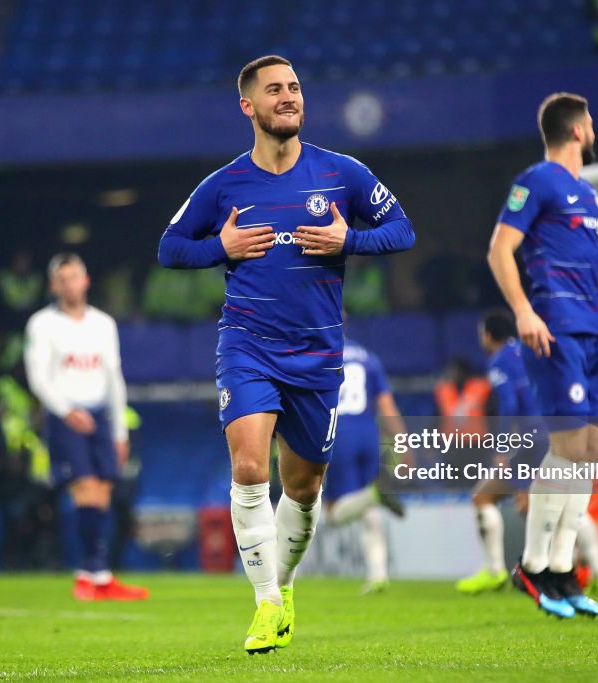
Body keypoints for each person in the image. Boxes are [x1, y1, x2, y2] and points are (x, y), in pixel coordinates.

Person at [158, 55, 414, 653]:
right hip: (247, 345)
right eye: (274, 90)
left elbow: (402, 230)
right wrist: (218, 246)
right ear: (248, 105)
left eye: (295, 87)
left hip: (320, 355)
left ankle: (286, 585)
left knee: (302, 488)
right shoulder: (224, 185)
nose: (289, 96)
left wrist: (349, 239)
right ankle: (265, 604)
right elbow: (171, 248)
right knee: (250, 469)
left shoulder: (342, 172)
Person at [487, 92, 598, 619]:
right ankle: (535, 566)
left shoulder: (588, 195)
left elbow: (593, 264)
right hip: (554, 329)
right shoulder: (538, 180)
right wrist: (525, 312)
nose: (593, 129)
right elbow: (500, 248)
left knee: (590, 451)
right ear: (577, 130)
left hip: (592, 332)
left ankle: (562, 572)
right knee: (570, 447)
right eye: (590, 121)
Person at [24, 253, 148, 601]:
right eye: (61, 279)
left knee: (103, 494)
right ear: (53, 285)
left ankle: (97, 576)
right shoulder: (42, 325)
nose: (69, 284)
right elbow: (38, 377)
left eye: (74, 277)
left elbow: (114, 378)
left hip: (101, 418)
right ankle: (91, 574)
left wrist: (120, 431)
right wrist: (65, 412)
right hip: (67, 419)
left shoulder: (103, 324)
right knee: (86, 490)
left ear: (86, 280)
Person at [457, 310, 550, 595]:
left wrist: (502, 447)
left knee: (502, 499)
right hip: (550, 431)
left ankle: (505, 570)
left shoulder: (499, 360)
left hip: (527, 437)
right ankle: (588, 569)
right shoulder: (528, 351)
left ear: (488, 335)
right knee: (529, 502)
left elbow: (509, 403)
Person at [324, 338, 407, 595]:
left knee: (335, 513)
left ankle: (375, 493)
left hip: (339, 434)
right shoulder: (369, 357)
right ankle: (378, 574)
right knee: (366, 509)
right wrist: (403, 443)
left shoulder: (321, 354)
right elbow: (386, 406)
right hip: (368, 434)